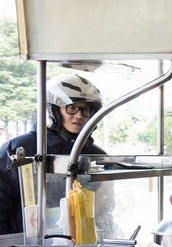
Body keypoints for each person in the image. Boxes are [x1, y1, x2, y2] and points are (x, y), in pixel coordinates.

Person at [0, 74, 105, 235]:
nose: (79, 115)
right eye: (71, 107)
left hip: (81, 244)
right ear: (52, 110)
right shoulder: (20, 148)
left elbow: (103, 209)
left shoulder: (95, 154)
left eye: (86, 109)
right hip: (25, 246)